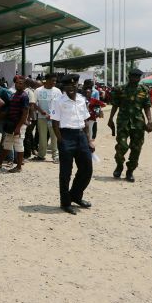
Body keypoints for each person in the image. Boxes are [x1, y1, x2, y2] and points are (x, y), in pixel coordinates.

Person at [50, 74, 94, 215]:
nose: (71, 88)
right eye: (68, 86)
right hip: (66, 136)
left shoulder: (81, 100)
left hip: (80, 136)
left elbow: (86, 122)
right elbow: (55, 123)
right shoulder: (58, 101)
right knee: (65, 173)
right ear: (64, 87)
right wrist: (61, 140)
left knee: (87, 169)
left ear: (77, 86)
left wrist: (89, 140)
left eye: (74, 85)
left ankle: (75, 195)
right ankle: (65, 202)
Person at [108, 68, 152, 182]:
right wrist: (110, 119)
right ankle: (119, 165)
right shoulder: (120, 89)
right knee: (122, 146)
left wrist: (149, 121)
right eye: (133, 77)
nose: (135, 79)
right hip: (123, 122)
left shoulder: (144, 89)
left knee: (136, 148)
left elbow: (147, 106)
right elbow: (115, 105)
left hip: (138, 123)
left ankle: (130, 171)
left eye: (137, 77)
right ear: (129, 77)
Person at [0, 75, 29, 174]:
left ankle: (19, 166)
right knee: (7, 143)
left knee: (19, 145)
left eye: (21, 83)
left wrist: (18, 127)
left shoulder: (24, 96)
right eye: (16, 83)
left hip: (18, 125)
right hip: (11, 124)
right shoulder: (13, 94)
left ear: (24, 86)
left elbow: (25, 113)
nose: (18, 84)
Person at [33, 73, 62, 162]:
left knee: (54, 137)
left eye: (55, 81)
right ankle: (41, 155)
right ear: (47, 80)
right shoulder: (38, 90)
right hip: (42, 117)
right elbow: (34, 103)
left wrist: (53, 115)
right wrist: (41, 111)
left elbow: (60, 104)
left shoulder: (57, 91)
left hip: (54, 119)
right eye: (53, 80)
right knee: (42, 137)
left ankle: (55, 156)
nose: (54, 82)